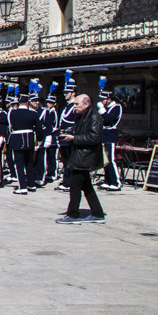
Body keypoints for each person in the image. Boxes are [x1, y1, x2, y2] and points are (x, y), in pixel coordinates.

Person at [56, 92, 106, 224]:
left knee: (75, 184)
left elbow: (94, 137)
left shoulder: (95, 117)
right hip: (78, 154)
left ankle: (73, 214)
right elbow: (78, 130)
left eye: (77, 104)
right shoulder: (81, 116)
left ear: (86, 104)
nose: (75, 107)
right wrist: (67, 133)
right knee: (87, 186)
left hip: (86, 156)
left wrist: (74, 138)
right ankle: (97, 213)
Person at [7, 85, 41, 195]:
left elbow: (10, 126)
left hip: (17, 140)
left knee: (19, 164)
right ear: (27, 103)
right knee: (30, 163)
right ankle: (31, 184)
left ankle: (22, 186)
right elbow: (39, 130)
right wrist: (39, 142)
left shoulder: (12, 113)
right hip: (30, 140)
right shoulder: (33, 113)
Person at [97, 77, 123, 191]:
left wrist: (102, 110)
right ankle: (108, 180)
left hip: (111, 134)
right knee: (105, 160)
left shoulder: (116, 107)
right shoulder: (107, 108)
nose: (102, 101)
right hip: (104, 134)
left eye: (103, 99)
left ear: (108, 99)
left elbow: (108, 119)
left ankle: (116, 182)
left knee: (111, 159)